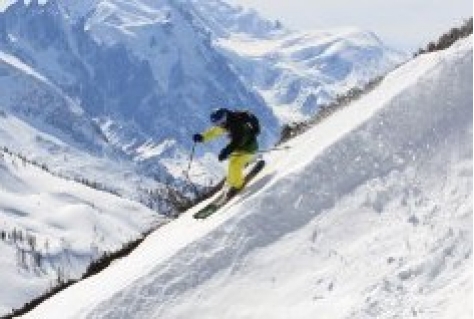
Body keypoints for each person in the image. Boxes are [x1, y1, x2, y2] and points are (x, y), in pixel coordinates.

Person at [193, 108, 260, 196]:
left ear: (225, 117)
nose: (219, 125)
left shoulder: (236, 125)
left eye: (220, 122)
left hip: (249, 148)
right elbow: (214, 131)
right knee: (232, 163)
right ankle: (232, 182)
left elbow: (237, 141)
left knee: (235, 164)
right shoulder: (227, 122)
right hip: (239, 148)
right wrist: (202, 137)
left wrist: (226, 151)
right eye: (217, 123)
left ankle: (238, 186)